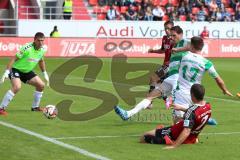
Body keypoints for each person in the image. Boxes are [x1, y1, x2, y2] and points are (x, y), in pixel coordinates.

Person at [114, 26, 189, 120]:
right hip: (171, 77)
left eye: (174, 36)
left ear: (181, 34)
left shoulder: (185, 42)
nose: (172, 38)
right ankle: (128, 114)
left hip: (179, 80)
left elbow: (194, 46)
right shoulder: (171, 43)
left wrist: (178, 50)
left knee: (178, 109)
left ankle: (199, 116)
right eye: (171, 36)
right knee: (150, 96)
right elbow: (166, 52)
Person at [171, 36, 233, 123]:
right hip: (196, 94)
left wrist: (176, 50)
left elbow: (172, 63)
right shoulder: (206, 63)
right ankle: (205, 120)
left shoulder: (183, 55)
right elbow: (218, 80)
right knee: (194, 116)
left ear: (191, 46)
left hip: (181, 92)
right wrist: (224, 90)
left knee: (178, 122)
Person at [140, 84, 211, 149]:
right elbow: (195, 115)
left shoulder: (192, 112)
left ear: (192, 95)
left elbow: (186, 130)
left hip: (174, 132)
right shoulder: (207, 106)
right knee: (178, 121)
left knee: (144, 137)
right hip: (192, 137)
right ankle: (192, 139)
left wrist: (174, 146)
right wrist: (181, 108)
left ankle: (167, 140)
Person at [0, 32, 49, 116]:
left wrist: (44, 73)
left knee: (41, 85)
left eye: (42, 41)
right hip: (15, 69)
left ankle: (35, 107)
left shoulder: (43, 49)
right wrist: (6, 72)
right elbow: (14, 59)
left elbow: (41, 61)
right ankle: (1, 108)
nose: (41, 42)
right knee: (17, 87)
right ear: (34, 40)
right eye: (39, 40)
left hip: (27, 72)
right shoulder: (27, 48)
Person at [148, 21, 174, 108]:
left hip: (170, 66)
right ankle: (166, 98)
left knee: (153, 78)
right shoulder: (164, 38)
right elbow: (163, 50)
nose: (167, 30)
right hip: (165, 65)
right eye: (165, 29)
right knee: (158, 85)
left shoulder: (174, 40)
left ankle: (149, 102)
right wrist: (153, 51)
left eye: (169, 29)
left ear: (172, 29)